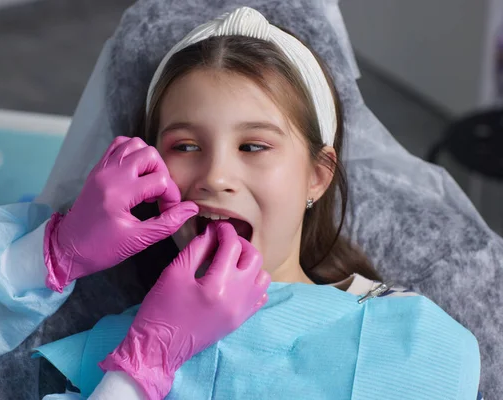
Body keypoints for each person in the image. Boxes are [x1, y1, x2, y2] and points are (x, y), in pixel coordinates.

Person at [42, 6, 483, 400]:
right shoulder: (112, 350)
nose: (215, 177)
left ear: (317, 175)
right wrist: (144, 365)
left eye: (253, 147)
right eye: (186, 145)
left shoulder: (412, 341)